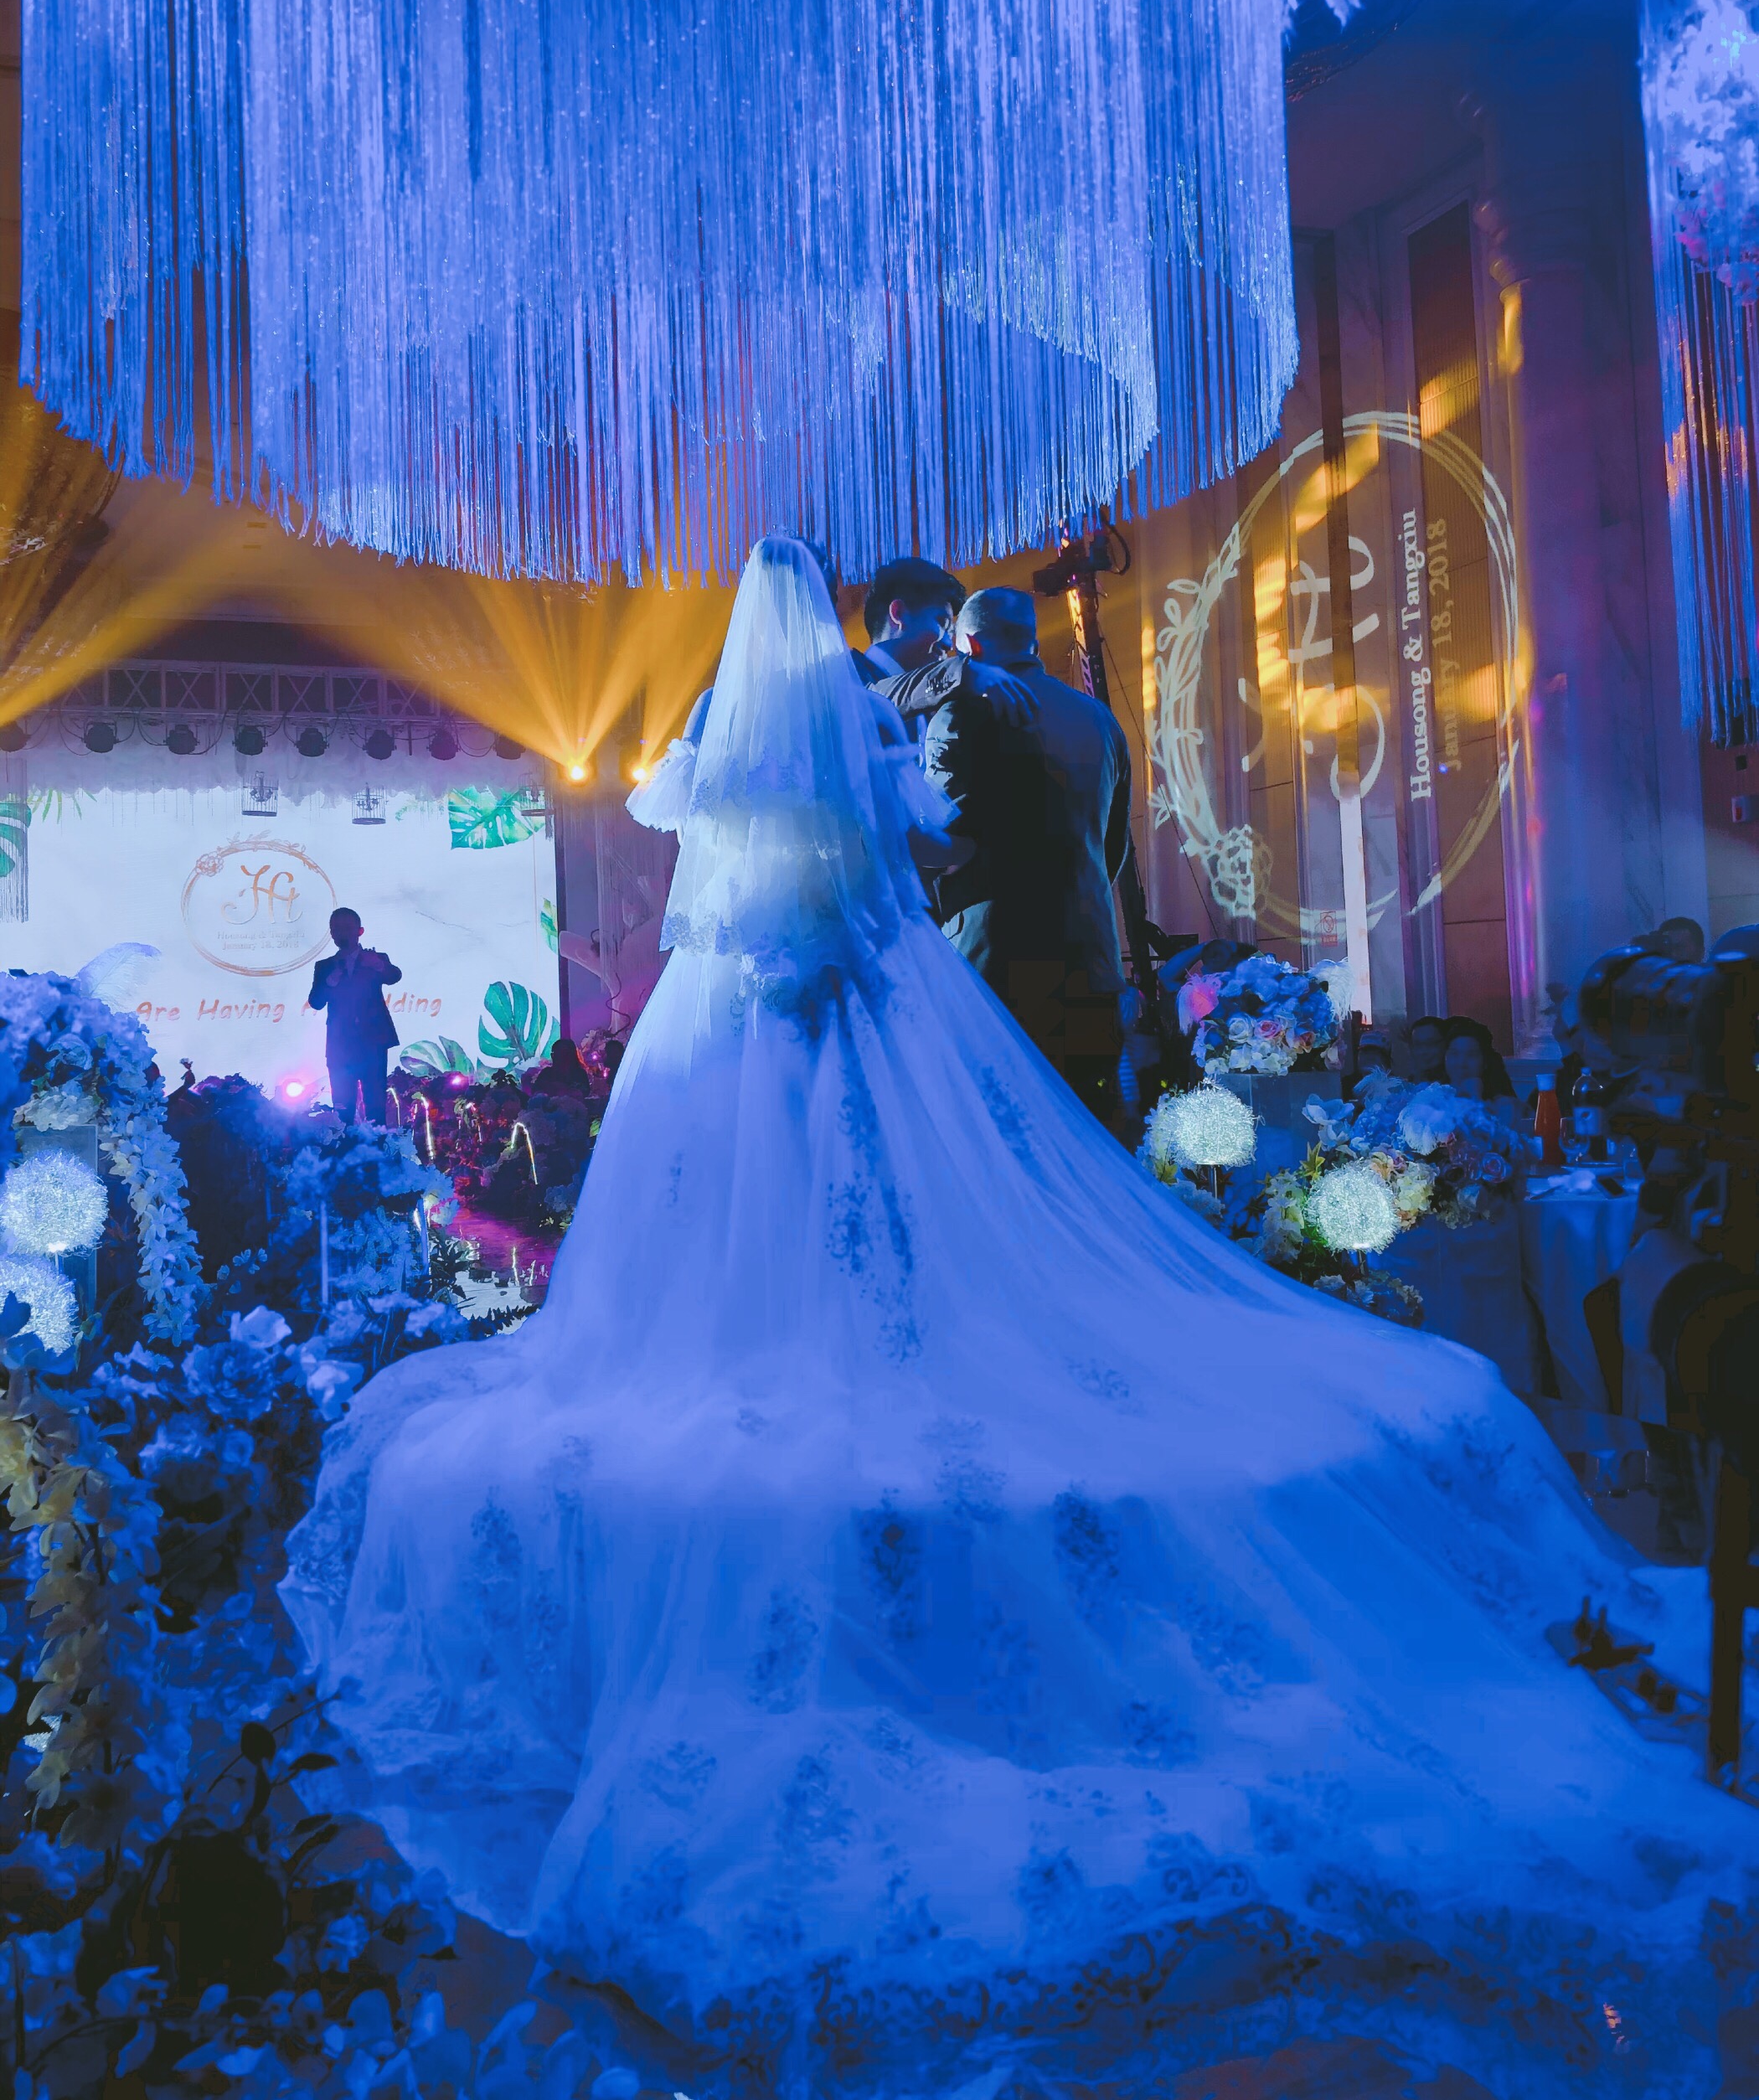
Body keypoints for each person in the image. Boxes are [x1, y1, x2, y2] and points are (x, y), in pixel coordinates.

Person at [285, 541, 1754, 2098]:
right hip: (903, 990)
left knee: (756, 1243)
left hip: (753, 1012)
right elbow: (926, 850)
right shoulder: (888, 715)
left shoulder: (736, 727)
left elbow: (691, 844)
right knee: (933, 1214)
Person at [925, 584, 1132, 1109]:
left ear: (970, 646)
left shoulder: (961, 713)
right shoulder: (1101, 720)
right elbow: (1112, 849)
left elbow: (938, 840)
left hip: (994, 967)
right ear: (1032, 640)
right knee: (1093, 1130)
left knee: (996, 1132)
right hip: (1090, 963)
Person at [307, 908, 401, 1124]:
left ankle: (377, 1145)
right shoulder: (324, 966)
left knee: (375, 1107)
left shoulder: (375, 958)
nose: (342, 933)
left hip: (373, 1042)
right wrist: (330, 981)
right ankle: (345, 1145)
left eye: (347, 928)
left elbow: (394, 976)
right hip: (340, 1046)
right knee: (342, 1109)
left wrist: (377, 964)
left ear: (360, 931)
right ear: (331, 933)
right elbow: (316, 1002)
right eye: (336, 929)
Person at [1442, 1013, 1518, 1109]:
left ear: (1485, 1062)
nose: (1461, 1063)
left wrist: (1475, 1097)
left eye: (1471, 1055)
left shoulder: (1503, 1104)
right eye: (1454, 1054)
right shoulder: (1433, 1097)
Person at [1406, 1013, 1449, 1081]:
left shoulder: (1458, 1084)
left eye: (1430, 1044)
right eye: (1418, 1045)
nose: (1424, 1051)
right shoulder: (1406, 1085)